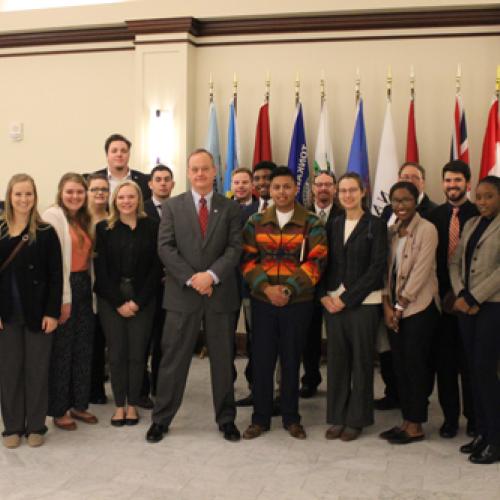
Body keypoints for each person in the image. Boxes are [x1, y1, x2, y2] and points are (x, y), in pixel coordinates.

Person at [146, 148, 242, 443]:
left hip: (220, 294)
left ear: (215, 172)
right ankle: (161, 419)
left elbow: (234, 248)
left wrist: (211, 276)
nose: (200, 174)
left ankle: (226, 419)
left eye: (205, 169)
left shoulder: (231, 208)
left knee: (224, 361)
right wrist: (192, 279)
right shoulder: (173, 207)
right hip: (181, 296)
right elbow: (165, 248)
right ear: (188, 174)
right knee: (172, 360)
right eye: (194, 169)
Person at [241, 166, 327, 440]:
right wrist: (266, 288)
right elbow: (247, 260)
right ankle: (260, 418)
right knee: (262, 360)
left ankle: (291, 417)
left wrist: (288, 290)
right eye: (276, 187)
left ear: (295, 189)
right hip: (263, 301)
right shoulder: (255, 221)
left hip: (297, 303)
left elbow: (317, 261)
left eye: (286, 187)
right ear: (269, 190)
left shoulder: (311, 222)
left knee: (291, 360)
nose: (281, 192)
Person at [319, 172, 387, 441]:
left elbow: (377, 267)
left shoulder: (376, 225)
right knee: (336, 361)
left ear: (363, 192)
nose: (347, 195)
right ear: (337, 193)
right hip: (333, 302)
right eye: (343, 191)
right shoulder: (333, 224)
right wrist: (324, 295)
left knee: (361, 362)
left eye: (352, 190)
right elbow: (324, 263)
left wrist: (348, 298)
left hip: (363, 303)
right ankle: (337, 417)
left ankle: (357, 419)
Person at [0, 174, 63, 448]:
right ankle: (12, 426)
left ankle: (36, 425)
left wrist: (52, 312)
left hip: (38, 313)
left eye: (28, 194)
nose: (23, 199)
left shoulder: (46, 232)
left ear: (35, 197)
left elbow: (55, 276)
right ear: (9, 197)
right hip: (7, 313)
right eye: (18, 194)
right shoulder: (0, 231)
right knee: (9, 371)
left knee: (37, 370)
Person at [94, 180, 160, 427]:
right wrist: (119, 301)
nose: (126, 201)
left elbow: (156, 268)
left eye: (131, 197)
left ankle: (133, 404)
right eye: (121, 197)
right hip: (111, 298)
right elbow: (100, 271)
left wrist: (138, 302)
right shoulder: (103, 229)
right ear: (114, 201)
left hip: (143, 297)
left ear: (139, 199)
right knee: (117, 353)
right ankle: (119, 405)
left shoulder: (152, 227)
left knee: (137, 354)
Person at [380, 181, 439, 444]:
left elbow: (421, 271)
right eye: (395, 200)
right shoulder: (392, 231)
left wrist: (401, 306)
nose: (400, 205)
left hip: (418, 308)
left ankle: (416, 425)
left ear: (416, 201)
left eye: (405, 200)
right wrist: (387, 307)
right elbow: (386, 272)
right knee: (400, 366)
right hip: (394, 309)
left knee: (415, 366)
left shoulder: (427, 229)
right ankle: (406, 419)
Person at [450, 175, 500, 464]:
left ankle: (495, 438)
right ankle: (482, 431)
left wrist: (473, 298)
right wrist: (460, 294)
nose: (482, 202)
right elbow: (454, 261)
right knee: (471, 370)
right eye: (478, 196)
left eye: (488, 196)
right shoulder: (469, 224)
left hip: (491, 307)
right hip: (464, 305)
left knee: (485, 370)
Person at [427, 160, 478, 439]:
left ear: (467, 183)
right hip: (441, 303)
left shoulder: (479, 213)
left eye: (457, 180)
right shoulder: (434, 216)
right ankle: (449, 419)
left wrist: (464, 295)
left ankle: (472, 417)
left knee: (469, 364)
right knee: (445, 365)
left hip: (472, 302)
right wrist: (443, 294)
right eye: (448, 180)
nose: (452, 185)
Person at [43, 173, 97, 431]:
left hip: (84, 288)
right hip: (65, 286)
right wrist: (63, 300)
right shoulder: (54, 216)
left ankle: (79, 404)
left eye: (79, 192)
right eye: (70, 192)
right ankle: (59, 409)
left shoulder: (84, 219)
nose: (75, 196)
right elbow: (54, 264)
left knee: (83, 349)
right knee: (62, 351)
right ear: (60, 193)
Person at [236, 163, 275, 408]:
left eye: (266, 178)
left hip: (280, 287)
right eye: (257, 178)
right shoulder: (245, 211)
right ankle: (256, 388)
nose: (262, 183)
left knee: (276, 342)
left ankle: (278, 392)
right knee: (255, 340)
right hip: (250, 286)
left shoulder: (290, 212)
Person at [300, 169, 342, 399]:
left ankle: (338, 383)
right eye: (319, 184)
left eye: (328, 184)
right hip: (309, 286)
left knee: (337, 340)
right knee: (309, 338)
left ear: (335, 188)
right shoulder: (302, 215)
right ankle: (310, 379)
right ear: (313, 188)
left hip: (336, 286)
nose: (324, 188)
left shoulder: (345, 214)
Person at [142, 164, 175, 399]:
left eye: (167, 179)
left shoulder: (181, 208)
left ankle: (160, 385)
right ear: (150, 184)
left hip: (172, 285)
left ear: (173, 184)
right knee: (143, 339)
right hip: (146, 286)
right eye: (158, 179)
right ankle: (141, 389)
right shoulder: (140, 209)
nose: (163, 183)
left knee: (166, 340)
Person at [86, 173, 110, 405]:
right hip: (80, 286)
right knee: (86, 340)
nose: (100, 193)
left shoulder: (113, 219)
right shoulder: (77, 219)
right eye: (95, 189)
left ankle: (97, 388)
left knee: (100, 339)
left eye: (104, 189)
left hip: (105, 288)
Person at [92, 133, 151, 201]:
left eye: (124, 151)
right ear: (107, 155)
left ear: (129, 155)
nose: (119, 154)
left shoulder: (144, 181)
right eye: (114, 151)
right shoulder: (94, 180)